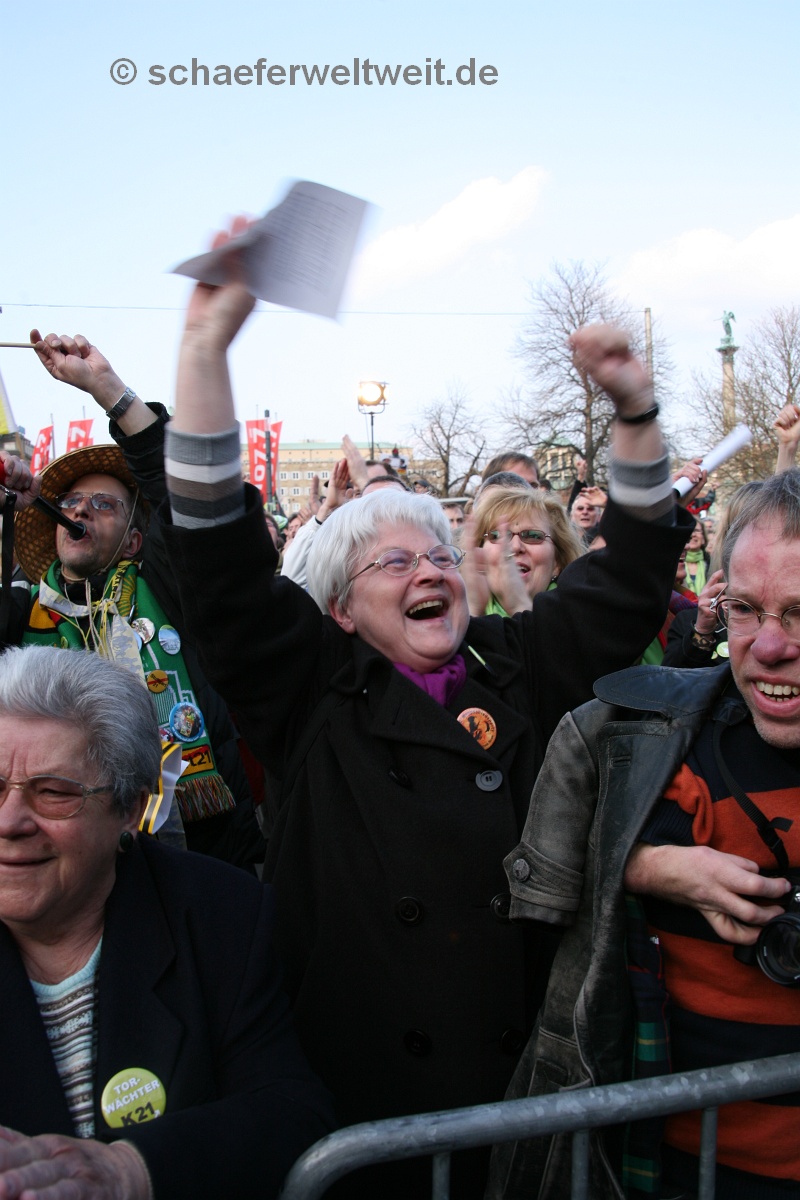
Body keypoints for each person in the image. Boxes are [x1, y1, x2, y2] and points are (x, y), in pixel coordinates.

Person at [157, 228, 691, 1197]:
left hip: (522, 1104)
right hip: (369, 1119)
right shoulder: (310, 690)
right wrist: (203, 354)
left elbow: (635, 570)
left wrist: (633, 409)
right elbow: (217, 557)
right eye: (394, 562)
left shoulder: (516, 662)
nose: (430, 572)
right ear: (339, 607)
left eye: (441, 554)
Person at [490, 468, 800, 1200]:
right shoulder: (644, 745)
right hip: (666, 1173)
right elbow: (539, 881)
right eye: (745, 610)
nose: (767, 647)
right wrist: (641, 867)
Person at [0, 644, 332, 1200]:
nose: (10, 821)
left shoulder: (221, 915)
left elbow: (290, 1113)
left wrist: (131, 1170)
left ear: (129, 810)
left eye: (54, 793)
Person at [11, 332, 263, 870]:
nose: (80, 511)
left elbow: (183, 495)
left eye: (104, 504)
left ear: (132, 541)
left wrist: (108, 389)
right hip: (60, 855)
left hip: (199, 853)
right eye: (70, 502)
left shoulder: (171, 589)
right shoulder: (20, 613)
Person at [462, 487, 583, 616]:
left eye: (533, 536)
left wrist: (519, 608)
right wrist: (472, 612)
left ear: (557, 562)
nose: (515, 547)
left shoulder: (581, 616)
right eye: (497, 535)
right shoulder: (453, 615)